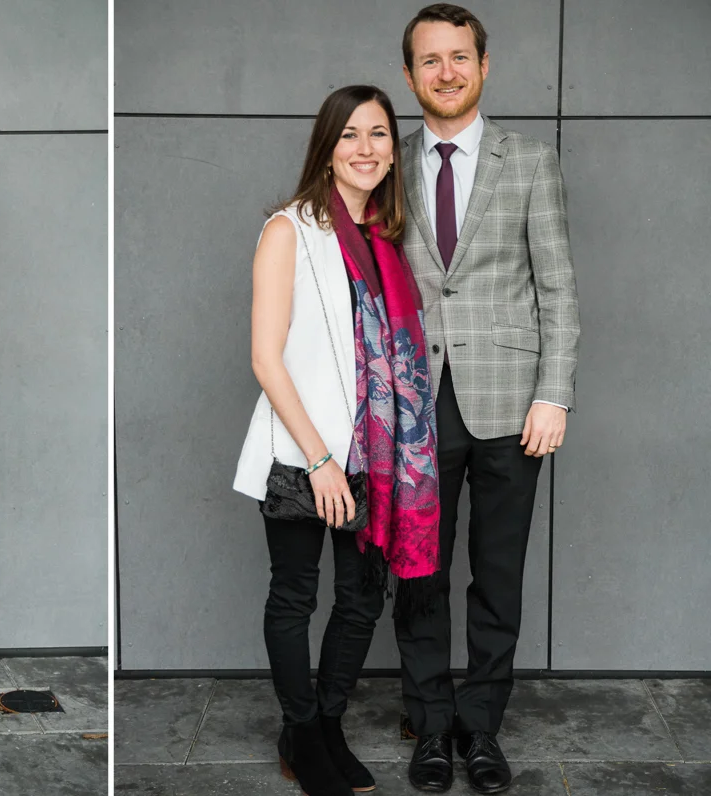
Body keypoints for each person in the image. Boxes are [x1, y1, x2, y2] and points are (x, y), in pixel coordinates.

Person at [234, 85, 441, 796]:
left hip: (378, 459)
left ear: (392, 149)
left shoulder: (392, 239)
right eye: (349, 134)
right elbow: (266, 358)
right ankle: (299, 730)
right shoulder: (289, 231)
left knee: (361, 599)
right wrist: (320, 459)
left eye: (378, 134)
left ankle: (327, 723)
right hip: (305, 452)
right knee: (295, 595)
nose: (365, 148)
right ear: (326, 148)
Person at [394, 5, 580, 794]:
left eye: (459, 57)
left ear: (484, 65)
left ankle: (481, 728)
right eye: (430, 60)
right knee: (420, 573)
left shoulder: (529, 161)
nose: (446, 72)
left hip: (511, 400)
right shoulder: (385, 160)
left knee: (497, 575)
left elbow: (557, 287)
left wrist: (554, 394)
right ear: (411, 75)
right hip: (413, 401)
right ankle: (431, 726)